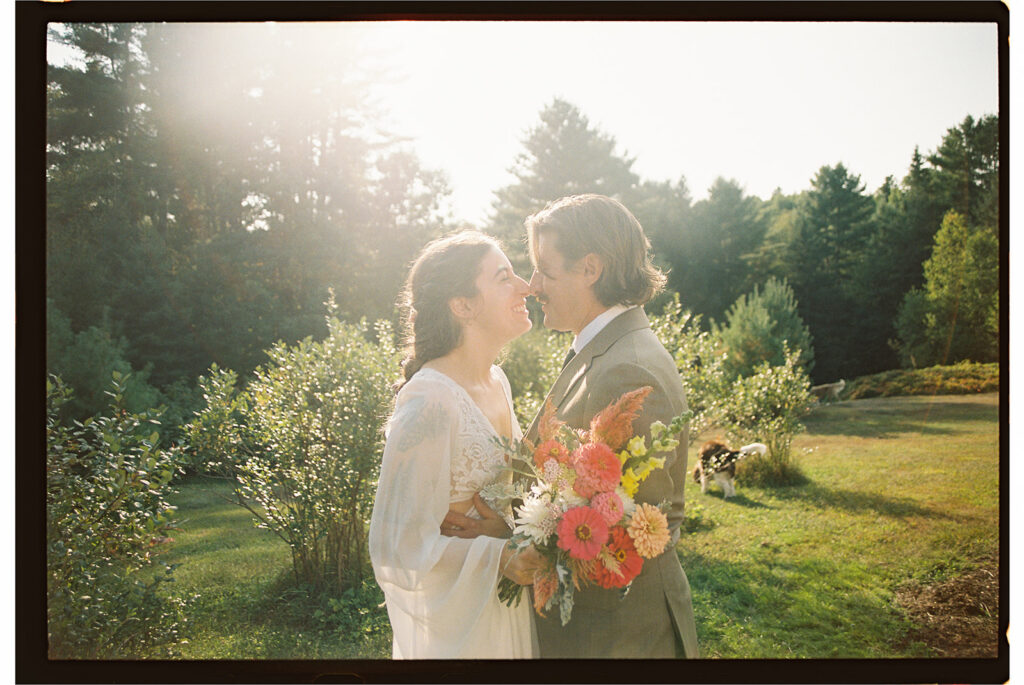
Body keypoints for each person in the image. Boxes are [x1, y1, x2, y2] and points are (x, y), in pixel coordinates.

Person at [442, 194, 700, 658]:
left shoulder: (629, 371)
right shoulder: (601, 349)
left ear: (591, 269)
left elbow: (629, 528)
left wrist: (507, 538)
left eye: (544, 269)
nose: (532, 286)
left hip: (620, 637)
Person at [368, 231, 544, 659]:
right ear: (463, 305)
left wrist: (513, 534)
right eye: (505, 277)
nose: (527, 286)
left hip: (507, 611)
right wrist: (498, 557)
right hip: (461, 632)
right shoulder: (429, 400)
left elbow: (507, 496)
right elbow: (396, 546)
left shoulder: (498, 381)